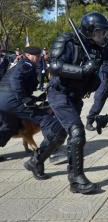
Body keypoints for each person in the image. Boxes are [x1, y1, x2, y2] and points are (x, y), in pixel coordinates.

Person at [47, 11, 108, 194]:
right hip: (59, 94)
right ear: (90, 30)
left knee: (58, 137)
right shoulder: (67, 41)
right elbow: (54, 66)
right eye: (100, 32)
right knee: (77, 133)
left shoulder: (97, 46)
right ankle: (76, 179)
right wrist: (82, 70)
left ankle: (35, 161)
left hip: (75, 97)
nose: (103, 36)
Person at [0, 46, 66, 176]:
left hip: (3, 102)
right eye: (38, 55)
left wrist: (34, 98)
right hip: (13, 101)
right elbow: (15, 80)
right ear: (29, 55)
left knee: (9, 127)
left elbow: (19, 84)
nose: (39, 58)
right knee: (45, 118)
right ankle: (54, 152)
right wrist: (24, 98)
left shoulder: (22, 64)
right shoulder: (26, 64)